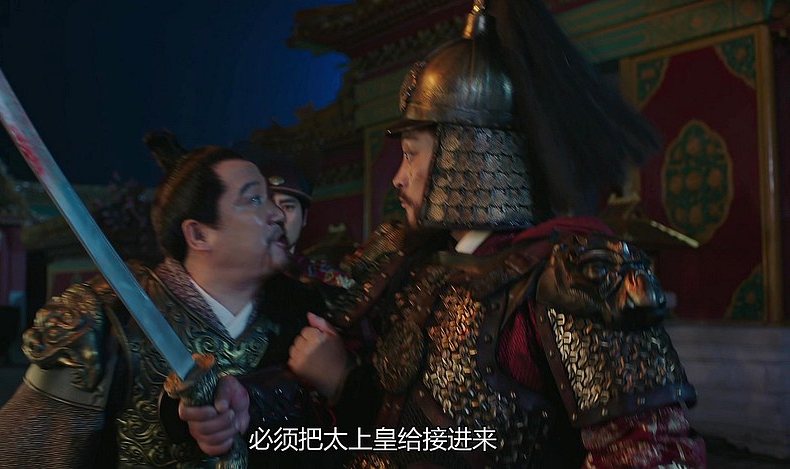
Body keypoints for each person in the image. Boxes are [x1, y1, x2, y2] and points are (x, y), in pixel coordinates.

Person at [287, 0, 707, 468]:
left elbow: (650, 451)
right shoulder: (414, 266)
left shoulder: (572, 276)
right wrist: (344, 382)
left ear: (468, 154)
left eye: (411, 154)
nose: (398, 179)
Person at [0, 145, 327, 468]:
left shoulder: (304, 320)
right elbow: (16, 460)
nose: (277, 214)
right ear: (199, 234)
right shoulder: (104, 320)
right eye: (254, 199)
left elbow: (331, 442)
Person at [260, 155, 355, 289]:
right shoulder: (238, 278)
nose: (278, 216)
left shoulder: (328, 279)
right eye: (269, 205)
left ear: (304, 217)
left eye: (287, 207)